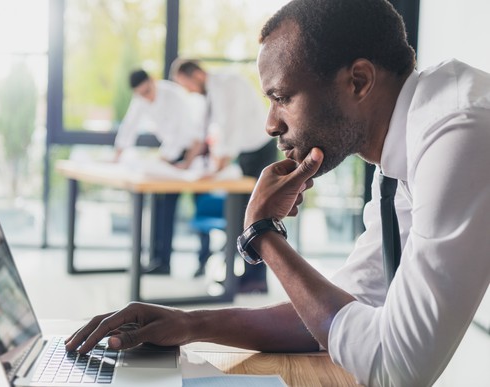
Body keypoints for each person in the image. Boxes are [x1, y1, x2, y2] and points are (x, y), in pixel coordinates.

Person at [66, 1, 490, 386]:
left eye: (282, 98)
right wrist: (190, 323)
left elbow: (397, 365)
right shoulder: (402, 151)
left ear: (358, 81)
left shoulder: (458, 132)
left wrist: (263, 234)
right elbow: (343, 315)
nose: (271, 124)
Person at [170, 59, 278, 292]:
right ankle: (246, 276)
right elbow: (210, 132)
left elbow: (231, 128)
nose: (188, 90)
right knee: (242, 216)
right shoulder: (212, 92)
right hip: (248, 154)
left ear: (196, 74)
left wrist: (216, 168)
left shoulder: (226, 85)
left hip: (260, 153)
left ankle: (256, 279)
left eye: (186, 84)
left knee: (256, 217)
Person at [114, 69, 205, 275]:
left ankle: (173, 262)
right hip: (168, 155)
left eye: (148, 91)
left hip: (187, 154)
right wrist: (118, 154)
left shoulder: (173, 95)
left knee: (174, 207)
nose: (147, 97)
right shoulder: (140, 98)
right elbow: (129, 126)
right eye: (141, 94)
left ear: (153, 81)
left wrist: (179, 162)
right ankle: (157, 260)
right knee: (158, 206)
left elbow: (184, 133)